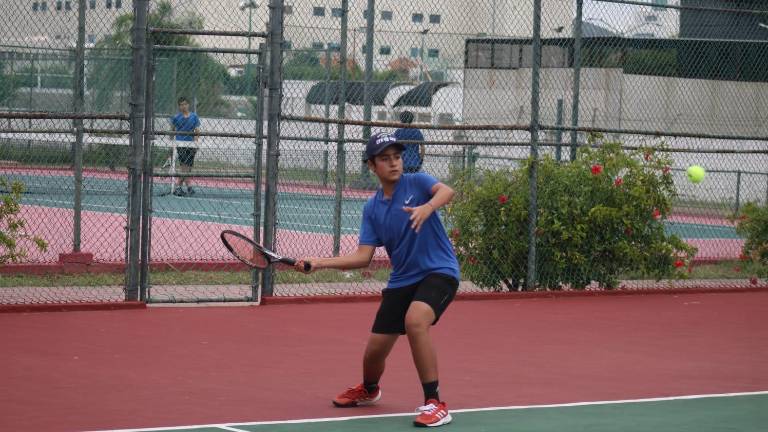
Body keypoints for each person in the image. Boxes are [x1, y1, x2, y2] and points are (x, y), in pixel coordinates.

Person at [295, 132, 460, 428]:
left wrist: (427, 207)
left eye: (397, 157)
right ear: (372, 166)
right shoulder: (372, 209)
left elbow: (447, 191)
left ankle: (435, 403)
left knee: (415, 321)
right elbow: (363, 256)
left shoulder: (418, 182)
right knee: (374, 352)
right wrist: (319, 263)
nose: (394, 163)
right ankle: (370, 389)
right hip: (402, 280)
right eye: (385, 159)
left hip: (439, 271)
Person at [169, 97, 201, 197]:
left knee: (189, 168)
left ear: (188, 105)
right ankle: (181, 187)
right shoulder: (176, 117)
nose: (184, 106)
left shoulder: (194, 116)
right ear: (179, 106)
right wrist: (171, 143)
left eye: (185, 104)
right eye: (181, 105)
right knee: (184, 167)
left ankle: (186, 187)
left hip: (191, 144)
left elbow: (197, 131)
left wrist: (196, 143)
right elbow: (172, 130)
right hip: (180, 144)